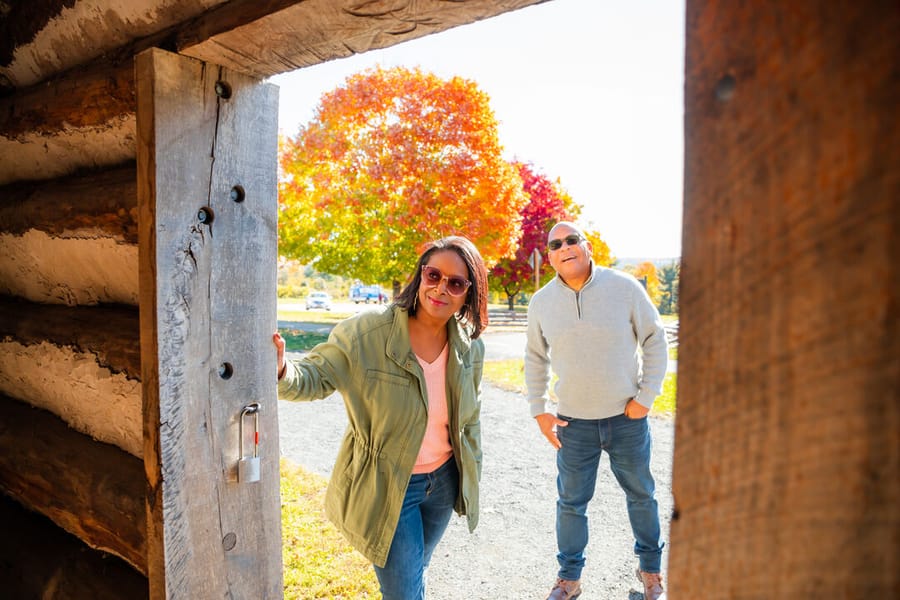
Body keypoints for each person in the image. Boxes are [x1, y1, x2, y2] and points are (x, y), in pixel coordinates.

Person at [273, 236, 488, 600]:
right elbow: (314, 377)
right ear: (420, 275)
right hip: (390, 485)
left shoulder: (470, 345)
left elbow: (471, 419)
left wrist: (472, 472)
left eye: (455, 282)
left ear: (469, 292)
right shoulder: (367, 332)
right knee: (404, 592)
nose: (440, 288)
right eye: (433, 275)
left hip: (444, 481)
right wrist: (280, 370)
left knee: (415, 570)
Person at [525, 222, 668, 600]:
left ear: (587, 247)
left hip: (627, 419)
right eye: (555, 244)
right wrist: (539, 409)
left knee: (642, 496)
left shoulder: (624, 288)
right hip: (573, 424)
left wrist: (646, 398)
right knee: (571, 503)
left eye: (572, 239)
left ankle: (651, 575)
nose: (564, 247)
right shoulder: (541, 302)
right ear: (550, 256)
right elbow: (535, 358)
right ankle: (569, 580)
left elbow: (655, 339)